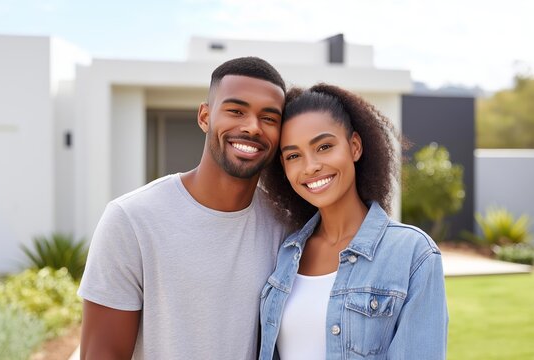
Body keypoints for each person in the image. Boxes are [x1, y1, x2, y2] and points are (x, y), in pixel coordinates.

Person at [78, 57, 288, 359]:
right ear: (205, 117)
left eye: (269, 118)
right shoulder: (131, 219)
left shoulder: (286, 226)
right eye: (236, 111)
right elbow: (102, 353)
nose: (253, 127)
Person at [258, 84, 448, 359]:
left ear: (354, 146)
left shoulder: (412, 253)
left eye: (324, 146)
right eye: (294, 156)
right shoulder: (286, 252)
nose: (310, 166)